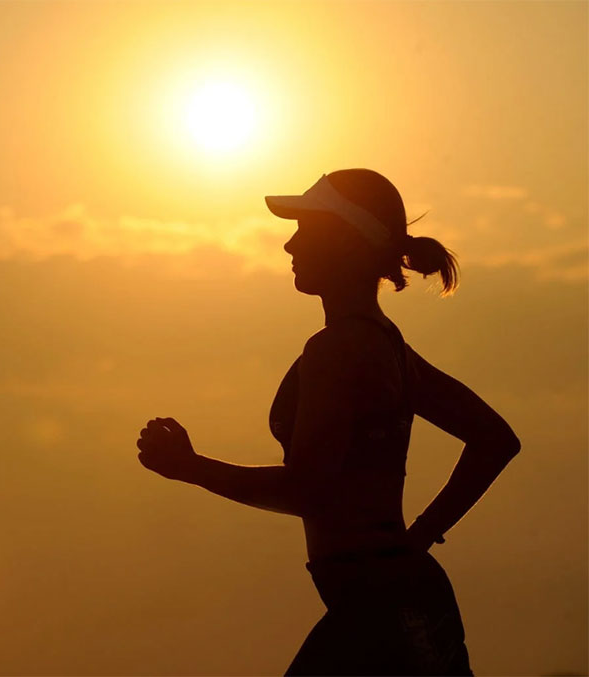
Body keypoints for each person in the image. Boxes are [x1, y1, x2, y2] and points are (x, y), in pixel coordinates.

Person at [135, 169, 521, 676]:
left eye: (305, 229)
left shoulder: (338, 349)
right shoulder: (386, 345)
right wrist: (418, 536)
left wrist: (191, 468)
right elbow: (495, 440)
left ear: (345, 239)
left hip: (383, 611)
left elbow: (308, 491)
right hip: (392, 601)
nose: (288, 245)